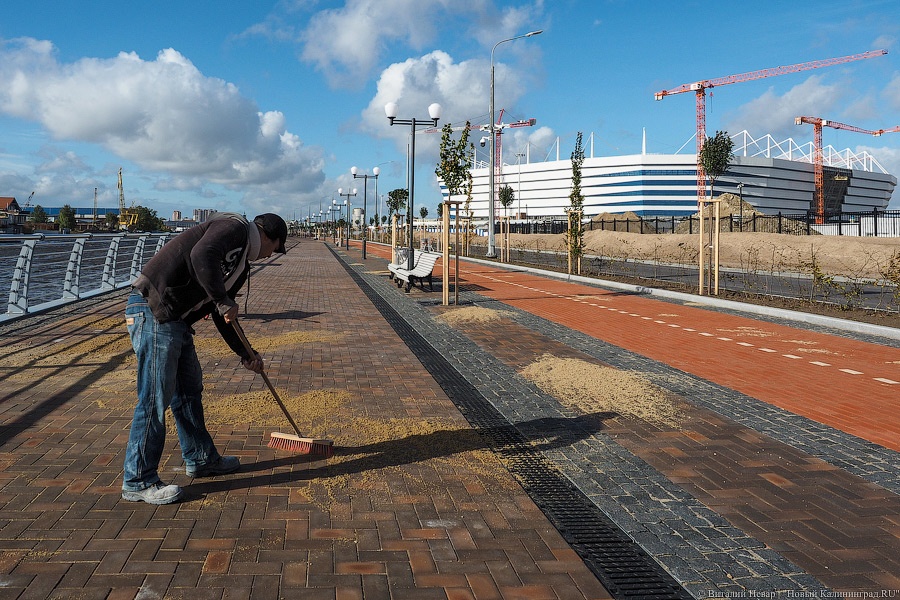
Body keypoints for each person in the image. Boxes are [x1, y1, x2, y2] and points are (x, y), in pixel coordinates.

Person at [121, 212, 288, 505]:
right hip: (154, 309)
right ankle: (138, 480)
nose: (270, 255)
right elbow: (202, 254)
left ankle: (200, 459)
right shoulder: (233, 227)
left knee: (188, 393)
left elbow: (222, 315)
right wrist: (223, 301)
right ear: (267, 235)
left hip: (177, 321)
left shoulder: (241, 266)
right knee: (154, 398)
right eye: (275, 248)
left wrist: (246, 354)